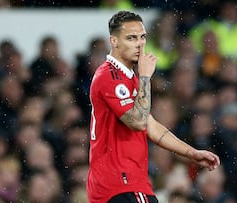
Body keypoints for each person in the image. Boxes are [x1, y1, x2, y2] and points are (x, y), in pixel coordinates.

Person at [87, 10, 220, 203]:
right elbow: (139, 122)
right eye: (131, 38)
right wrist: (145, 78)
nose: (139, 44)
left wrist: (192, 153)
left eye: (142, 37)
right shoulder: (111, 76)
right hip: (122, 183)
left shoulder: (126, 77)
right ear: (114, 41)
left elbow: (152, 126)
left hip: (120, 184)